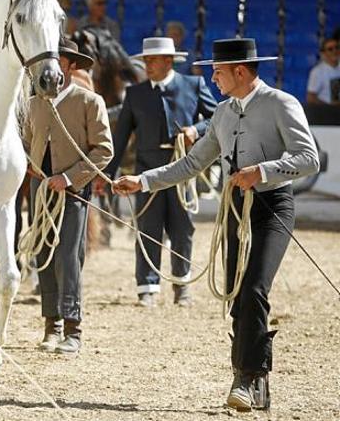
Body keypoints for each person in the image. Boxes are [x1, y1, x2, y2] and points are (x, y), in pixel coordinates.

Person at [114, 38, 320, 411]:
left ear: (240, 71)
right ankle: (252, 379)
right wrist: (142, 180)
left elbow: (308, 159)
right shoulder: (223, 113)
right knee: (237, 296)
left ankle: (247, 376)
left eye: (218, 71)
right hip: (235, 208)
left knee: (255, 287)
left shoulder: (281, 104)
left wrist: (264, 171)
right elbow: (191, 164)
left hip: (273, 205)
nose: (213, 77)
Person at [95, 37, 216, 307]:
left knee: (182, 229)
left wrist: (196, 130)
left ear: (168, 61)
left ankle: (182, 285)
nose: (147, 65)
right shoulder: (135, 94)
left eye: (152, 60)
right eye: (145, 60)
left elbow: (217, 118)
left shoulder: (193, 85)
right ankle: (147, 287)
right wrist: (106, 176)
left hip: (183, 169)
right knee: (148, 228)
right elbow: (121, 137)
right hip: (146, 172)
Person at [23, 40, 113, 355]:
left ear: (71, 65)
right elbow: (26, 142)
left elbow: (104, 150)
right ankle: (52, 325)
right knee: (42, 253)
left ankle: (73, 326)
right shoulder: (34, 103)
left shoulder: (90, 101)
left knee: (68, 256)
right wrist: (32, 170)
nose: (49, 66)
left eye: (57, 59)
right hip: (40, 190)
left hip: (73, 191)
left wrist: (69, 178)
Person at [306, 36, 340, 104]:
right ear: (323, 53)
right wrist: (329, 107)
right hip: (327, 111)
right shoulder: (317, 71)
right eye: (330, 49)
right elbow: (310, 98)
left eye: (337, 47)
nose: (335, 51)